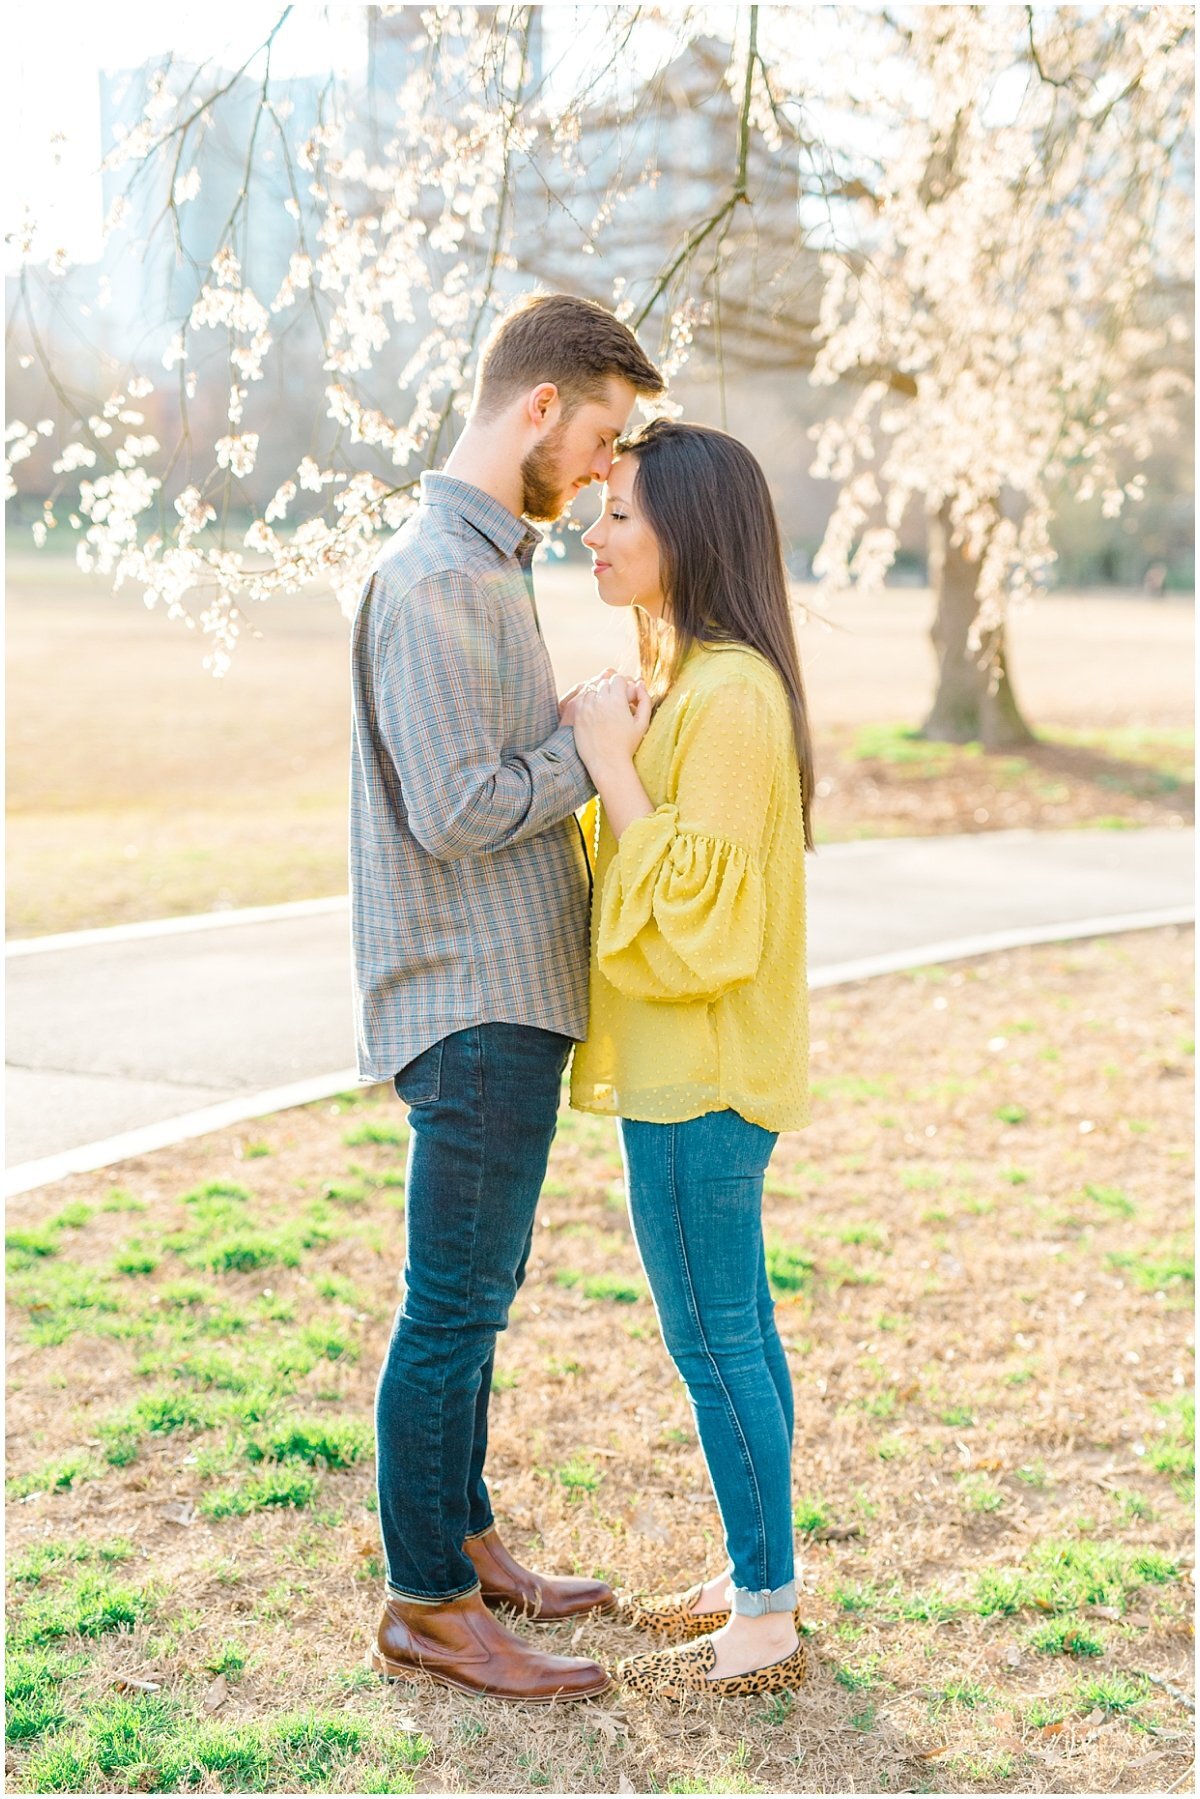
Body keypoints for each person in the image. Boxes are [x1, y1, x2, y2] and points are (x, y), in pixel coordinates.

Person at [350, 291, 664, 1702]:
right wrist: (587, 750)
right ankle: (426, 1605)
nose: (606, 472)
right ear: (541, 407)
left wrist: (570, 727)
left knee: (483, 1293)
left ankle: (467, 1540)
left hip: (511, 999)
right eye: (601, 439)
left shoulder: (491, 568)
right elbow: (456, 807)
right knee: (449, 1307)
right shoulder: (435, 579)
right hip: (470, 1003)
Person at [569, 418, 814, 1700]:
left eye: (619, 514)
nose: (593, 534)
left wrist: (612, 761)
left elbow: (704, 919)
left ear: (689, 535)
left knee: (714, 1339)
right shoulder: (708, 679)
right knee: (739, 1332)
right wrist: (633, 731)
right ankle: (753, 1567)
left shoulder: (730, 696)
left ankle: (767, 1611)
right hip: (695, 1067)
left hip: (699, 1072)